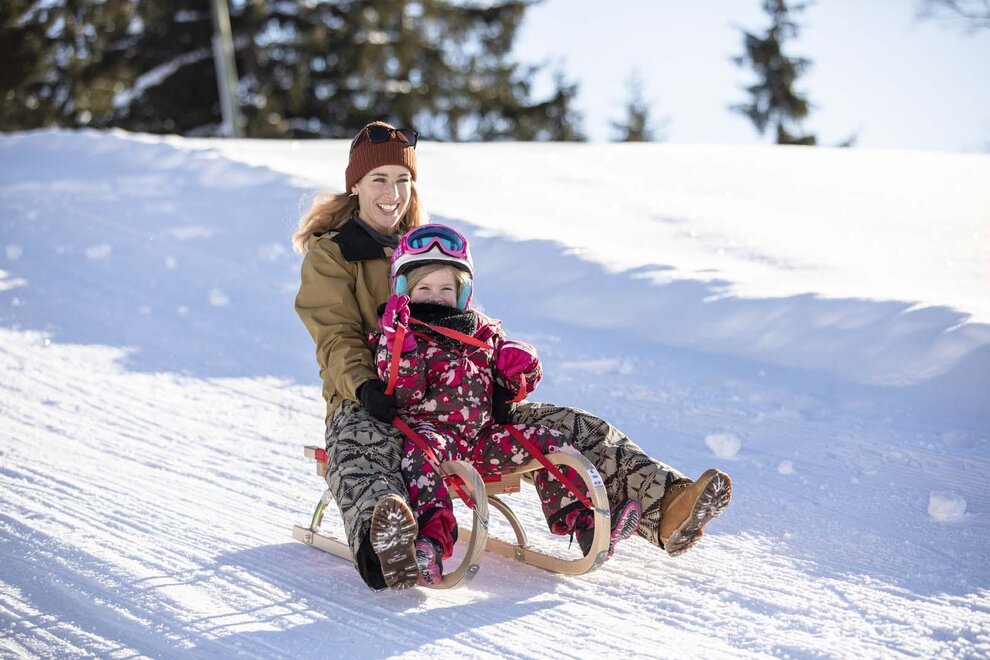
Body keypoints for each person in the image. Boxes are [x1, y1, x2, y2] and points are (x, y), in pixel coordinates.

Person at [293, 120, 732, 592]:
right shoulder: (333, 255)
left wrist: (499, 379)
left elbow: (467, 322)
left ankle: (666, 506)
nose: (392, 193)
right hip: (373, 399)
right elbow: (336, 337)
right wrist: (365, 387)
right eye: (379, 179)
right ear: (355, 185)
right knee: (360, 446)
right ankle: (387, 546)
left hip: (460, 408)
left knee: (569, 425)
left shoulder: (427, 243)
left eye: (403, 180)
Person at [372, 224, 642, 585]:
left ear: (463, 291)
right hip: (432, 436)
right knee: (418, 458)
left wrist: (521, 370)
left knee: (546, 442)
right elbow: (405, 395)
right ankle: (429, 543)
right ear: (404, 290)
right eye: (424, 288)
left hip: (483, 438)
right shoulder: (400, 334)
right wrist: (400, 346)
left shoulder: (483, 331)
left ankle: (586, 523)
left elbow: (508, 389)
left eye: (446, 288)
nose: (436, 296)